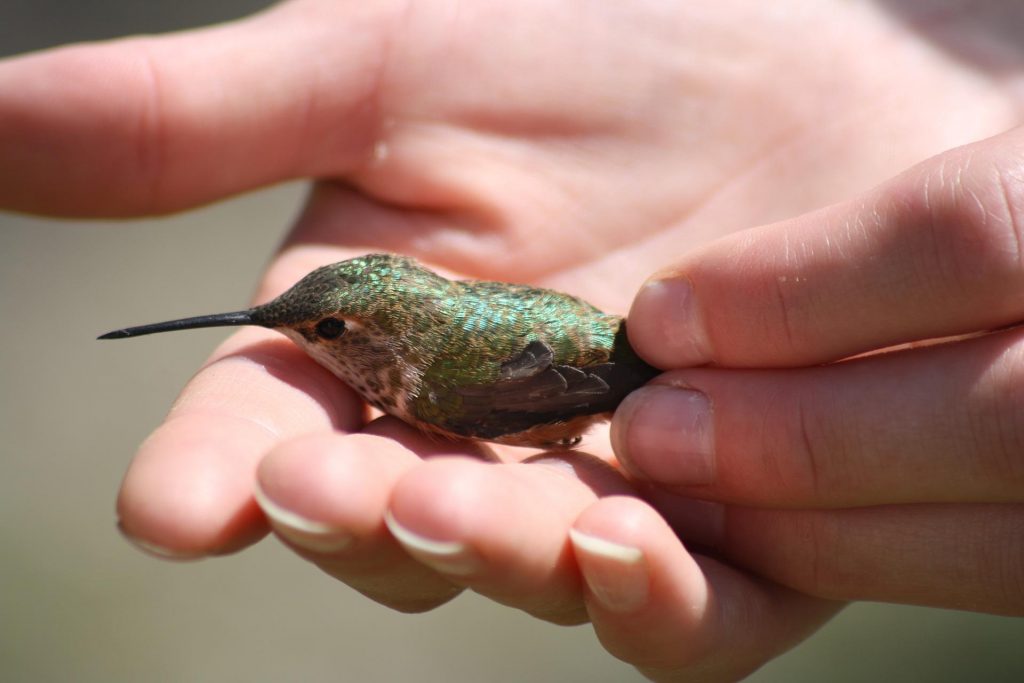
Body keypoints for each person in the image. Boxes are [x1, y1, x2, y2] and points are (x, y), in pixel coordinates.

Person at [3, 1, 1021, 679]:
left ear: (375, 338)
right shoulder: (424, 341)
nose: (311, 342)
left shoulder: (433, 389)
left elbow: (556, 388)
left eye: (326, 333)